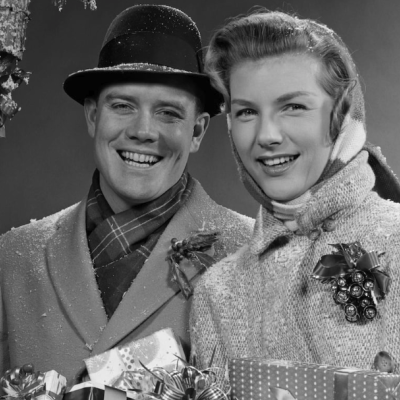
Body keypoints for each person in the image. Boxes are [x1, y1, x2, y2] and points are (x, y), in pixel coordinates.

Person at [0, 5, 254, 384]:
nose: (143, 131)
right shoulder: (12, 258)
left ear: (198, 131)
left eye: (168, 113)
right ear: (92, 116)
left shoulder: (253, 256)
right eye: (123, 106)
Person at [190, 9, 400, 377]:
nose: (266, 135)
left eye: (293, 107)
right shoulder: (217, 292)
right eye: (246, 112)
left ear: (340, 115)